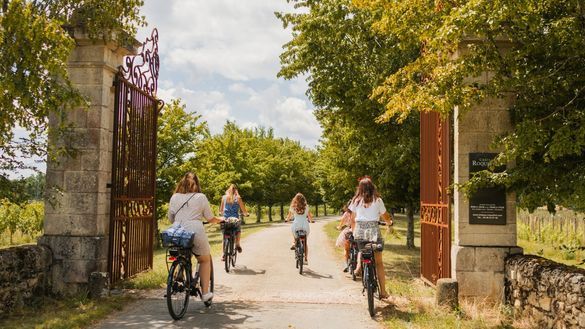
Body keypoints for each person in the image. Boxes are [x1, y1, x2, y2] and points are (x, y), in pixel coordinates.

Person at [168, 172, 223, 303]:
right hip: (195, 230)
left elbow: (171, 218)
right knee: (204, 259)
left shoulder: (174, 197)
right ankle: (205, 293)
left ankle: (180, 272)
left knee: (181, 252)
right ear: (197, 184)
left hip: (177, 231)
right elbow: (210, 218)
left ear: (181, 183)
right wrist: (220, 220)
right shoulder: (200, 197)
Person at [348, 176, 393, 299]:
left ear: (360, 189)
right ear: (372, 187)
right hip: (373, 231)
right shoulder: (378, 200)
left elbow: (352, 218)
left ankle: (358, 267)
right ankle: (383, 292)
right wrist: (389, 224)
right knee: (379, 262)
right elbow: (385, 216)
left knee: (362, 251)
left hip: (360, 230)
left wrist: (353, 230)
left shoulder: (356, 200)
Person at [219, 184, 249, 260]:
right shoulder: (238, 198)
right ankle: (238, 244)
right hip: (235, 220)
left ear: (228, 190)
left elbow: (221, 210)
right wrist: (246, 214)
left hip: (226, 220)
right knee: (238, 230)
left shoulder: (224, 197)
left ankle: (223, 254)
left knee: (225, 236)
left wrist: (222, 213)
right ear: (236, 190)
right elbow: (244, 210)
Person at [285, 193, 314, 265]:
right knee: (305, 243)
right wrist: (311, 221)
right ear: (303, 199)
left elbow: (289, 217)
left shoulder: (293, 207)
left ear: (295, 199)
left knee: (294, 234)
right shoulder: (306, 207)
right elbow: (310, 217)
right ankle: (306, 259)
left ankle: (294, 243)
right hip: (305, 226)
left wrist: (287, 220)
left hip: (296, 225)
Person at [335, 203, 354, 272]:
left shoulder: (346, 213)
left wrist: (339, 227)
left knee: (346, 249)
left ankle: (346, 265)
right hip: (357, 231)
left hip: (348, 231)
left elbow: (341, 223)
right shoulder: (358, 212)